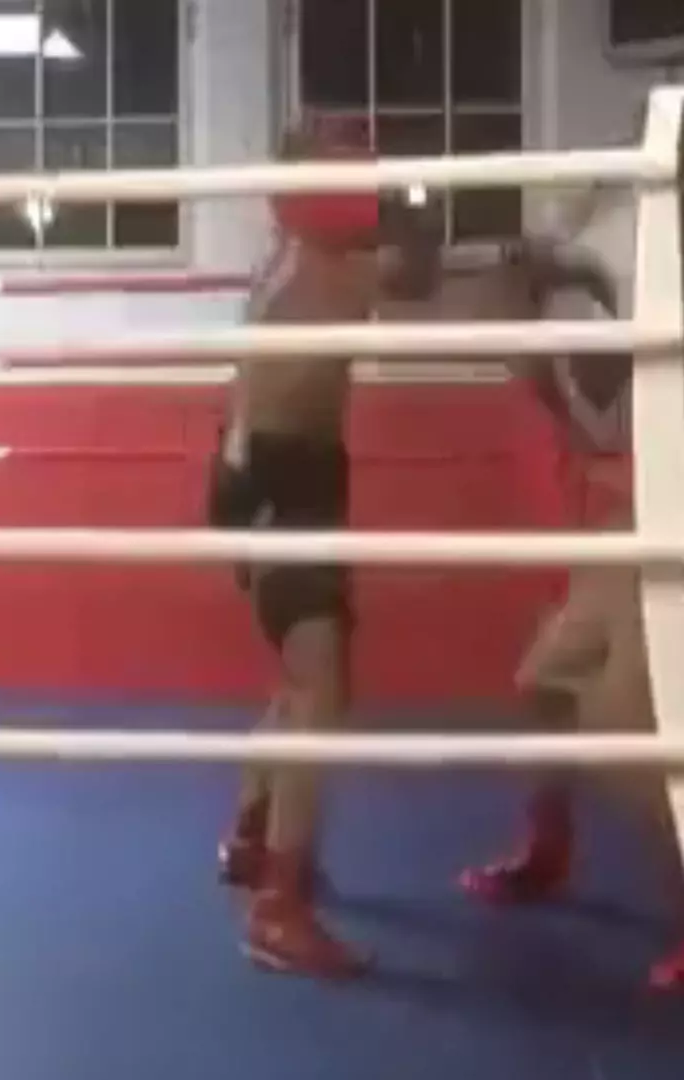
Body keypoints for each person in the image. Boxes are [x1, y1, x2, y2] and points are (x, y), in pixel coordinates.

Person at [207, 116, 443, 979]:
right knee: (322, 687)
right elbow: (421, 278)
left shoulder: (288, 256)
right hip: (283, 480)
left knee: (301, 679)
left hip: (268, 473)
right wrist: (421, 210)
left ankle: (250, 836)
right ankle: (279, 909)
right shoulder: (330, 266)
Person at [454, 237, 684, 993]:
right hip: (626, 531)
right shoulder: (553, 345)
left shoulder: (585, 327)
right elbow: (600, 441)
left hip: (667, 530)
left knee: (628, 729)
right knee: (545, 685)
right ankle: (548, 855)